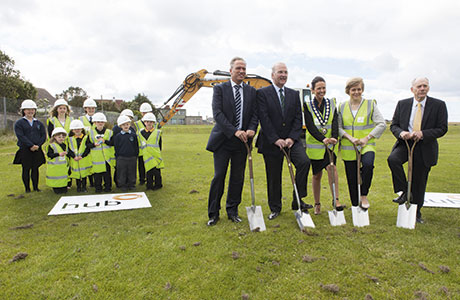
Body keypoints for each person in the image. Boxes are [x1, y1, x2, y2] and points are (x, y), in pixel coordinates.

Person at [206, 57, 258, 226]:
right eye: (238, 68)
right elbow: (218, 114)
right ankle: (213, 213)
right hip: (223, 140)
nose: (242, 71)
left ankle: (232, 211)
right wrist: (234, 131)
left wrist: (251, 129)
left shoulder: (251, 91)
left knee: (237, 178)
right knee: (219, 176)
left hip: (242, 143)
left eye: (244, 68)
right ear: (231, 71)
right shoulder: (220, 89)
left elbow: (254, 115)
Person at [388, 77, 448, 224]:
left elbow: (442, 128)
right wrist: (401, 133)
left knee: (419, 180)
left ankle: (416, 213)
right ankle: (403, 191)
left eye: (425, 86)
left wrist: (423, 134)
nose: (422, 88)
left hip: (425, 146)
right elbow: (394, 125)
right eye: (419, 86)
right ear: (412, 89)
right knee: (393, 160)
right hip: (405, 144)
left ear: (428, 88)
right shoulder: (403, 104)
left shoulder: (438, 105)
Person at [256, 62, 311, 220]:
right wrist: (275, 139)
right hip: (271, 142)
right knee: (274, 176)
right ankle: (275, 208)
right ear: (272, 75)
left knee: (304, 162)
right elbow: (264, 119)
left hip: (291, 141)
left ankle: (298, 200)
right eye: (280, 72)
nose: (283, 75)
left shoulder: (293, 94)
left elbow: (297, 118)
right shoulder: (263, 93)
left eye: (285, 72)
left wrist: (291, 138)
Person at [338, 77, 386, 209]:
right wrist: (350, 138)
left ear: (362, 90)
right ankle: (354, 204)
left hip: (367, 144)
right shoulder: (341, 107)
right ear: (348, 91)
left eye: (359, 89)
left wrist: (367, 138)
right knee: (351, 176)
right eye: (353, 89)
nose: (356, 92)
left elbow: (381, 124)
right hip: (349, 146)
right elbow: (338, 127)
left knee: (368, 166)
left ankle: (364, 195)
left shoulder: (370, 104)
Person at [304, 76, 341, 215]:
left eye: (324, 88)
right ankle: (317, 203)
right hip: (315, 146)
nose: (322, 90)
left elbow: (335, 122)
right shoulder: (307, 106)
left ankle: (336, 200)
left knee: (332, 169)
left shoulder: (331, 103)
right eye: (319, 88)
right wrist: (322, 138)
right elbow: (310, 126)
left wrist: (334, 137)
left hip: (329, 146)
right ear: (313, 90)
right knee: (317, 176)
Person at [13, 99, 47, 193]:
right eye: (28, 109)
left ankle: (36, 187)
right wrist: (31, 145)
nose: (30, 111)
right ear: (23, 111)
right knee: (26, 169)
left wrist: (38, 145)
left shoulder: (39, 123)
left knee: (35, 168)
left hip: (37, 149)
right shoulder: (19, 123)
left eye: (32, 109)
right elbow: (21, 136)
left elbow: (43, 136)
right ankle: (27, 189)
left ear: (35, 111)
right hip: (25, 150)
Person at [88, 112, 115, 193]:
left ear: (104, 123)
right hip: (97, 158)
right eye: (98, 122)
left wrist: (105, 141)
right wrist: (93, 144)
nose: (100, 123)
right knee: (97, 175)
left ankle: (107, 188)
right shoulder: (91, 133)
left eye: (102, 122)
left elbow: (113, 143)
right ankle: (98, 188)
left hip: (106, 158)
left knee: (107, 175)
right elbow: (87, 144)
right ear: (95, 123)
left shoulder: (109, 132)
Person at [138, 113, 163, 190]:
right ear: (144, 122)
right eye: (147, 121)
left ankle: (158, 185)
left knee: (156, 171)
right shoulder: (141, 133)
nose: (149, 123)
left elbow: (159, 144)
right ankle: (149, 185)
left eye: (151, 122)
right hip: (146, 156)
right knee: (148, 171)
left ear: (153, 123)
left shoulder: (157, 132)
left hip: (155, 155)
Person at [114, 115, 139, 192]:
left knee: (132, 172)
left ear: (130, 125)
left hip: (132, 157)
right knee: (122, 172)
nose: (126, 126)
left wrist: (135, 155)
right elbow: (116, 147)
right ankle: (123, 185)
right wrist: (118, 157)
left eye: (127, 124)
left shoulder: (133, 135)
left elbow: (136, 146)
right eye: (124, 125)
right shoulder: (118, 136)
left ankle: (131, 185)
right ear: (120, 126)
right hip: (121, 158)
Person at [67, 120, 92, 193]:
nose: (77, 130)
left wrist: (82, 156)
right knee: (77, 175)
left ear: (82, 129)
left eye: (79, 129)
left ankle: (84, 187)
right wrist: (73, 156)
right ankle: (78, 187)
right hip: (75, 159)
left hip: (83, 159)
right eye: (75, 129)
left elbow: (88, 148)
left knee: (84, 175)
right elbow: (68, 149)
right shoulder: (70, 139)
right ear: (72, 130)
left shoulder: (85, 137)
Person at [79, 98, 97, 187]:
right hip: (85, 145)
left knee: (93, 163)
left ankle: (93, 183)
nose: (91, 110)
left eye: (93, 108)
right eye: (89, 108)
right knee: (86, 163)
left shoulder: (97, 119)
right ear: (85, 109)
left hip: (95, 145)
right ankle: (87, 182)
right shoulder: (80, 119)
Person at [134, 102, 153, 185]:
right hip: (141, 150)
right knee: (141, 166)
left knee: (151, 165)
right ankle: (142, 180)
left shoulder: (154, 123)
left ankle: (150, 179)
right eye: (144, 113)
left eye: (148, 113)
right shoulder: (137, 124)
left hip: (151, 150)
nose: (146, 114)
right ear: (141, 113)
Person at [46, 127, 69, 194]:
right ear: (54, 137)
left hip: (63, 167)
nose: (61, 138)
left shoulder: (64, 145)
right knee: (56, 181)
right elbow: (49, 155)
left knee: (63, 180)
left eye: (63, 137)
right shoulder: (51, 146)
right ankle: (56, 188)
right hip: (54, 168)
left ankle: (64, 187)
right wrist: (58, 154)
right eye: (59, 137)